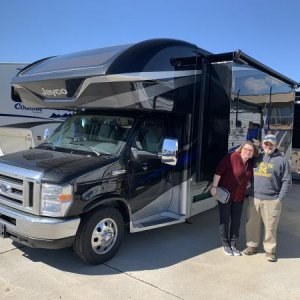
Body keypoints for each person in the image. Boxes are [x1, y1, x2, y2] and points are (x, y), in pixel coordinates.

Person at [243, 134, 291, 262]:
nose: (268, 146)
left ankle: (270, 251)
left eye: (271, 144)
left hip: (272, 199)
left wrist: (279, 198)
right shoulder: (256, 157)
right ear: (262, 145)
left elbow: (287, 181)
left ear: (275, 145)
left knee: (270, 227)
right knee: (252, 224)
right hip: (255, 198)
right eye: (266, 144)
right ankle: (252, 246)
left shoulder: (282, 160)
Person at [210, 141, 257, 256]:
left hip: (239, 196)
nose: (247, 151)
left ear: (253, 153)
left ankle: (233, 244)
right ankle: (225, 244)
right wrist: (214, 187)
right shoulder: (231, 157)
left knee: (236, 221)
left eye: (250, 150)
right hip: (225, 195)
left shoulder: (250, 163)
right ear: (241, 149)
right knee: (225, 220)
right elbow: (218, 172)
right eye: (245, 149)